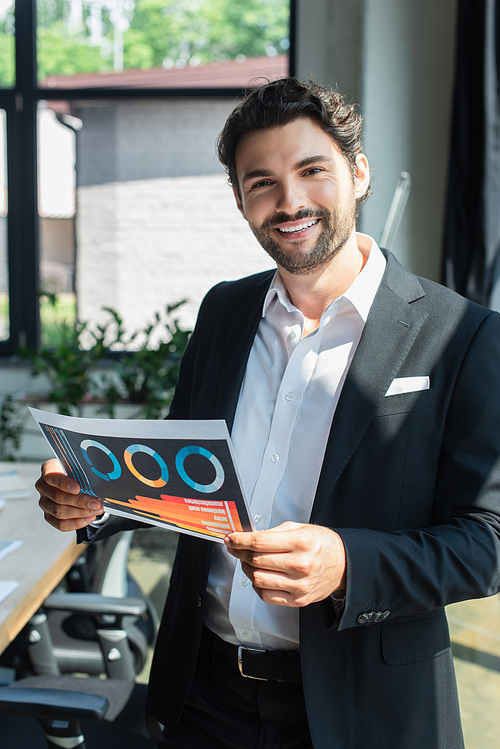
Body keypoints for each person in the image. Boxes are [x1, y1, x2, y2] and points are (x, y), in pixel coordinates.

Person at [36, 77, 500, 749]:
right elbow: (179, 471)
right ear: (240, 200)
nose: (290, 202)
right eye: (262, 183)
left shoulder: (466, 335)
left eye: (313, 171)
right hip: (204, 696)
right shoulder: (224, 309)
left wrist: (348, 561)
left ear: (359, 172)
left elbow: (487, 540)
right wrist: (98, 495)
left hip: (360, 708)